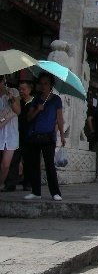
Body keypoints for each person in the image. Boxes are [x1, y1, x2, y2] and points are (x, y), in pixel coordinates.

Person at [24, 72, 65, 201]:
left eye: (46, 83)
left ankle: (55, 192)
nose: (43, 86)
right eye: (41, 83)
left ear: (51, 85)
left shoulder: (56, 100)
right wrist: (38, 109)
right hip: (34, 135)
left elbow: (59, 118)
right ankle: (36, 191)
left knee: (49, 165)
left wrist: (62, 135)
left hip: (48, 136)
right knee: (34, 164)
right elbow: (28, 117)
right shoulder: (36, 99)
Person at [3, 80, 34, 192]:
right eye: (20, 89)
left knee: (28, 159)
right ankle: (10, 184)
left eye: (23, 89)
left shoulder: (34, 102)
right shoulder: (17, 101)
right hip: (16, 133)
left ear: (29, 89)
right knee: (14, 159)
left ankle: (28, 183)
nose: (21, 91)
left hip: (30, 134)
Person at [0, 75, 20, 190]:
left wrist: (11, 99)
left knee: (5, 165)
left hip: (11, 133)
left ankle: (1, 184)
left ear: (4, 80)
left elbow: (18, 111)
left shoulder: (13, 91)